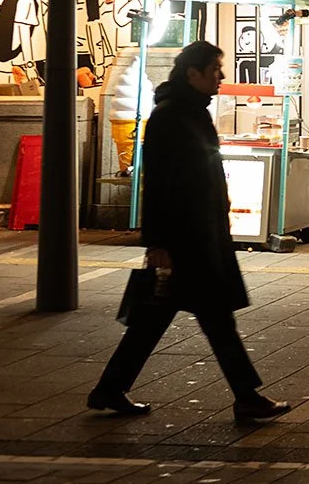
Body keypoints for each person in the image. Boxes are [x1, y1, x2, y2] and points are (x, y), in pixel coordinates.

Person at [88, 40, 290, 421]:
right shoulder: (170, 116)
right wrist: (157, 242)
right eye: (215, 69)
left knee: (157, 320)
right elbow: (159, 184)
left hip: (199, 235)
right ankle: (246, 396)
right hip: (186, 241)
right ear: (192, 73)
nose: (222, 76)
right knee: (214, 320)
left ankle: (110, 389)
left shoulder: (192, 112)